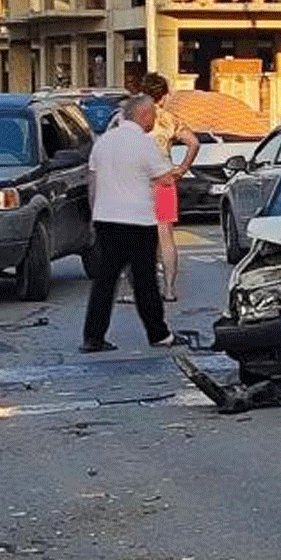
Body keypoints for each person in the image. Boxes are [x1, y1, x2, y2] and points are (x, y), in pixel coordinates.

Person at [81, 94, 189, 352]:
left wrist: (94, 214)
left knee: (105, 281)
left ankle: (93, 337)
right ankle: (159, 334)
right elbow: (164, 179)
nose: (154, 119)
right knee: (145, 281)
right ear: (142, 116)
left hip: (107, 219)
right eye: (152, 114)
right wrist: (176, 172)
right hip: (138, 221)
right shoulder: (145, 144)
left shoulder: (103, 143)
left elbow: (92, 182)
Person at [138, 73, 200, 302]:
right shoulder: (169, 119)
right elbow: (194, 142)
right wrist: (182, 168)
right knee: (165, 236)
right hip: (164, 180)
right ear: (162, 97)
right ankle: (170, 289)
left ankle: (138, 289)